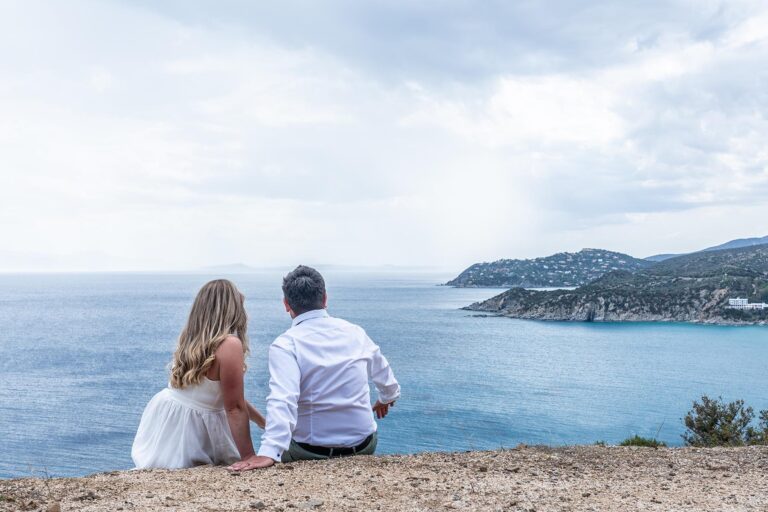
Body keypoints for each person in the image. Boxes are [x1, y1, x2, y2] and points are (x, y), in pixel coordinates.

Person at [230, 265, 400, 471]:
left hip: (310, 452)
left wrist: (269, 451)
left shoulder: (286, 344)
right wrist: (386, 398)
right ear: (325, 299)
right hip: (364, 446)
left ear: (286, 304)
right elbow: (386, 378)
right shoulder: (355, 332)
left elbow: (283, 398)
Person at [132, 279, 266, 469]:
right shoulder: (229, 344)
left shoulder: (191, 340)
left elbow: (222, 394)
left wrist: (262, 422)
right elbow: (234, 406)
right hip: (191, 434)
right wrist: (249, 456)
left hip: (167, 423)